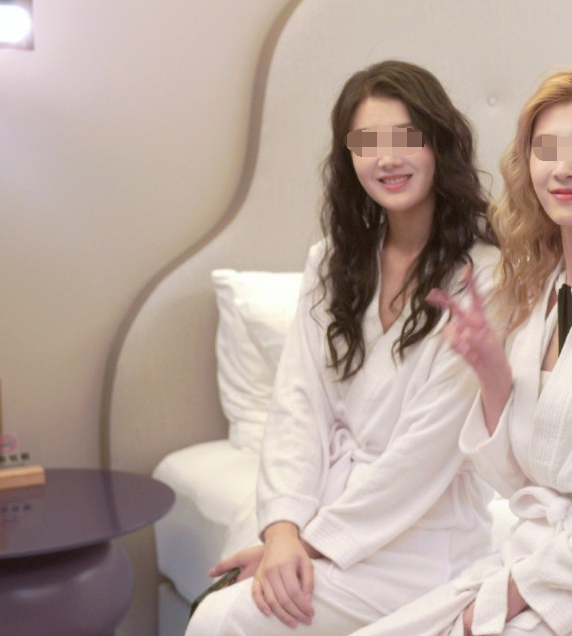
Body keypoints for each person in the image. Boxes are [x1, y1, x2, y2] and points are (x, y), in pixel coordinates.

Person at [349, 70, 572, 636]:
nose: (563, 169)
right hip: (527, 557)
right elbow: (515, 483)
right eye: (545, 150)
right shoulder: (541, 290)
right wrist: (491, 373)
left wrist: (519, 589)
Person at [188, 62, 499, 635]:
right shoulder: (332, 261)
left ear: (438, 143)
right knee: (222, 604)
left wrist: (308, 545)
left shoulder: (485, 275)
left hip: (421, 536)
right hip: (319, 511)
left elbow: (424, 455)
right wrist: (282, 529)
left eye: (405, 138)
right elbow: (297, 404)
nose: (387, 159)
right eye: (366, 143)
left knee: (224, 620)